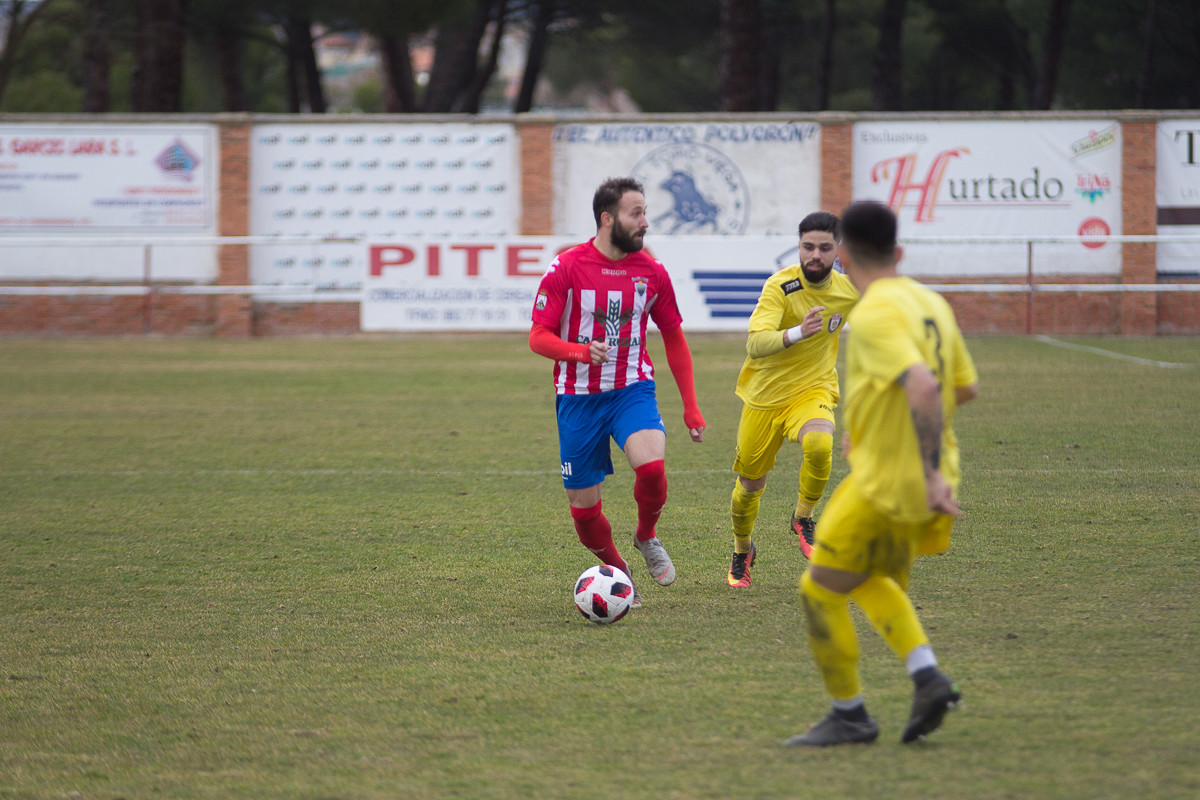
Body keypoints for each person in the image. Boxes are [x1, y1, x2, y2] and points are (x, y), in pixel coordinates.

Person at [783, 200, 979, 747]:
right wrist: (877, 427)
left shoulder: (872, 314)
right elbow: (963, 386)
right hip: (925, 475)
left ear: (841, 256)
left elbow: (921, 385)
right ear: (899, 251)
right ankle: (927, 676)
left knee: (818, 588)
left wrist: (924, 468)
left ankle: (849, 714)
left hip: (890, 481)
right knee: (868, 578)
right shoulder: (930, 302)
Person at [529, 177, 706, 606]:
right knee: (585, 514)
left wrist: (691, 408)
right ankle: (621, 576)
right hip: (577, 399)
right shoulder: (567, 267)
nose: (645, 222)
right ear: (608, 219)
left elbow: (674, 337)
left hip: (632, 389)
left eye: (645, 212)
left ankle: (646, 536)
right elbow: (538, 336)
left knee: (652, 470)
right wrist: (579, 352)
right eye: (636, 213)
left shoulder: (652, 271)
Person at [726, 211, 860, 589]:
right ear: (798, 246)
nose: (815, 255)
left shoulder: (848, 291)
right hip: (764, 399)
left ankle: (803, 518)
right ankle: (742, 550)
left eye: (824, 248)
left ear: (838, 250)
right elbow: (755, 342)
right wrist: (798, 332)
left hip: (813, 390)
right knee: (748, 490)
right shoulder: (779, 287)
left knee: (820, 443)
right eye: (807, 247)